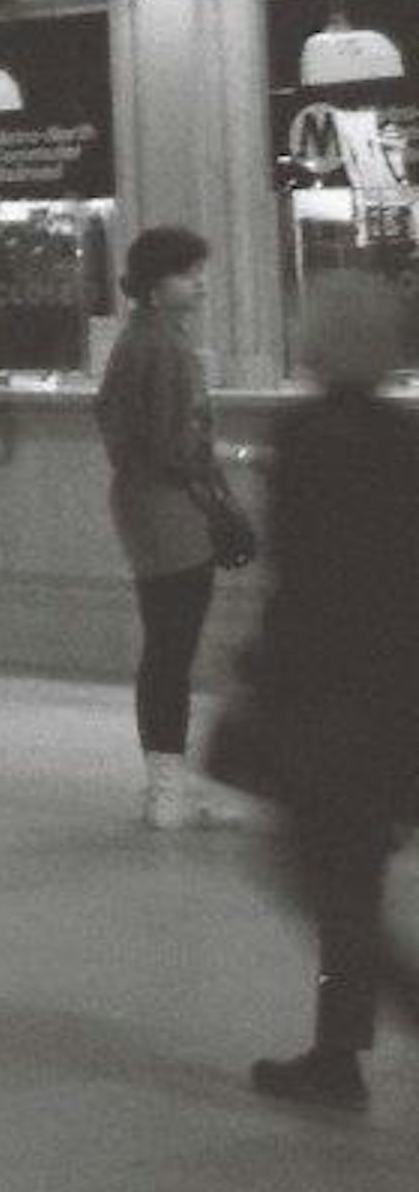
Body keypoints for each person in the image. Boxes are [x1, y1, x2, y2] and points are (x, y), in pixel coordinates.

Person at [231, 273, 419, 1110]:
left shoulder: (305, 433)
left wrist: (263, 672)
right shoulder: (404, 435)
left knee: (315, 868)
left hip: (324, 693)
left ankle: (350, 1043)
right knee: (354, 871)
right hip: (394, 690)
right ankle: (337, 1053)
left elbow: (300, 576)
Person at [98, 225, 253, 831]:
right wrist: (236, 459)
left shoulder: (141, 339)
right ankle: (167, 788)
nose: (201, 282)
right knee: (172, 646)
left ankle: (169, 783)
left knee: (168, 644)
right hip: (169, 513)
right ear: (157, 286)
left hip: (150, 507)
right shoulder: (159, 346)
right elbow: (172, 443)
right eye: (189, 273)